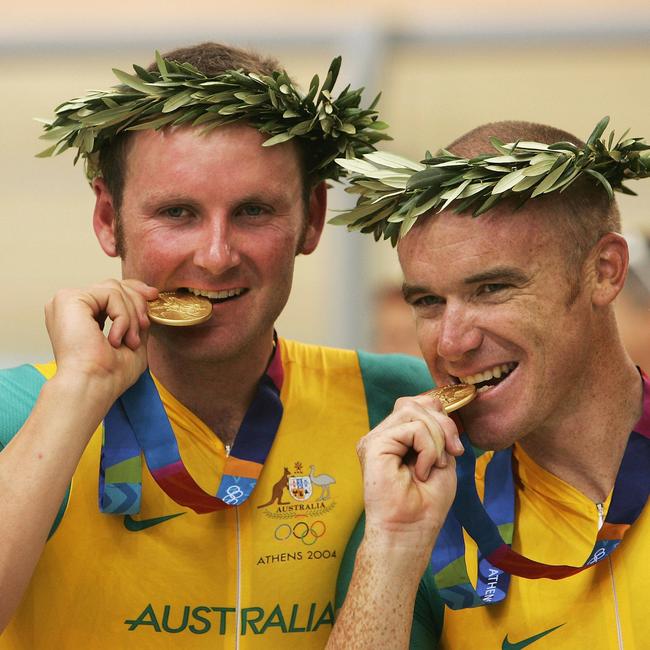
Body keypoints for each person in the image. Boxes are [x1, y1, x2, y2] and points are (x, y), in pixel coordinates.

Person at [0, 43, 433, 648]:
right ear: (107, 217)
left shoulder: (400, 406)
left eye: (253, 211)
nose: (216, 255)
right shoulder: (17, 411)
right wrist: (79, 391)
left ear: (311, 217)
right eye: (177, 212)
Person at [328, 119, 650, 648]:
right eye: (428, 301)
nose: (452, 343)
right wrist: (393, 547)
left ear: (605, 271)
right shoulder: (416, 514)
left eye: (493, 288)